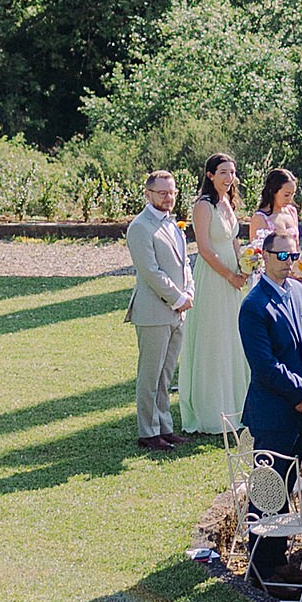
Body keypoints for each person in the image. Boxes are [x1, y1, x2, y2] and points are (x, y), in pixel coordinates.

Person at [177, 153, 250, 437]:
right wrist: (228, 274)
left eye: (231, 172)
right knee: (214, 338)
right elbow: (205, 249)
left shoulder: (228, 204)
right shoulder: (204, 206)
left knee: (233, 337)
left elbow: (234, 241)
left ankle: (235, 404)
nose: (228, 177)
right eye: (222, 172)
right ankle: (211, 409)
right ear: (209, 175)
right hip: (213, 278)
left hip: (233, 280)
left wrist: (244, 266)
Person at [238, 230, 302, 468]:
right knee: (267, 496)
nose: (289, 261)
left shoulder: (298, 291)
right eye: (282, 255)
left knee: (291, 484)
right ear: (264, 255)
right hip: (272, 414)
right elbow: (264, 365)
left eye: (293, 255)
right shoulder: (254, 306)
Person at [126, 172, 193, 453]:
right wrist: (177, 298)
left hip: (177, 311)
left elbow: (185, 263)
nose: (168, 197)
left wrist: (189, 291)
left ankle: (165, 426)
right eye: (162, 192)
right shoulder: (140, 227)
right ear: (148, 194)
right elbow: (150, 272)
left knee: (166, 375)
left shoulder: (174, 225)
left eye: (172, 192)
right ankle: (148, 431)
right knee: (150, 374)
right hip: (153, 311)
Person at [249, 165, 301, 258]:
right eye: (286, 195)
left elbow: (296, 245)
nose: (289, 199)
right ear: (273, 192)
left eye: (292, 194)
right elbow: (256, 252)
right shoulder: (261, 218)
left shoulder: (292, 211)